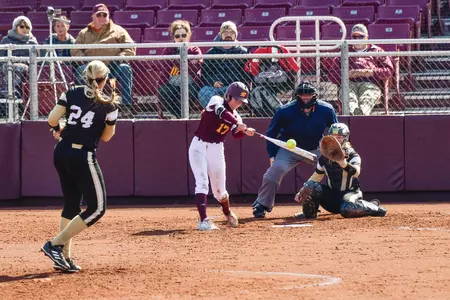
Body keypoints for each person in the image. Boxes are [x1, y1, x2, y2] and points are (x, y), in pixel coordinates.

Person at [41, 60, 119, 272]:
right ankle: (55, 244)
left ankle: (63, 257)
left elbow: (51, 119)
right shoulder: (109, 104)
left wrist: (59, 128)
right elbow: (107, 137)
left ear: (86, 76)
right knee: (98, 208)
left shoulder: (72, 91)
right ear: (104, 80)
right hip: (82, 154)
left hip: (62, 151)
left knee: (72, 204)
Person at [252, 82, 338, 218]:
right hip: (290, 148)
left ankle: (339, 200)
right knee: (275, 170)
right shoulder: (284, 110)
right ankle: (262, 204)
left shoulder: (326, 109)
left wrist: (332, 152)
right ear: (296, 96)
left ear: (315, 96)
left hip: (316, 148)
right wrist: (272, 155)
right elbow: (271, 134)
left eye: (309, 95)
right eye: (302, 95)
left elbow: (335, 131)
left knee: (334, 167)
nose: (305, 98)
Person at [189, 81, 255, 230]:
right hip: (199, 146)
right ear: (228, 96)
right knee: (202, 182)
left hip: (216, 148)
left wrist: (244, 131)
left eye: (241, 101)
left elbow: (235, 135)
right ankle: (203, 221)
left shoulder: (237, 116)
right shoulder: (216, 100)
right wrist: (238, 124)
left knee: (220, 191)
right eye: (237, 100)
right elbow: (220, 112)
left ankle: (227, 212)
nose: (238, 103)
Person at [294, 123, 387, 219]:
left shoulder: (352, 155)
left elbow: (356, 172)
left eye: (339, 137)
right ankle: (309, 214)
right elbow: (316, 176)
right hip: (332, 198)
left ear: (345, 138)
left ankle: (375, 208)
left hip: (350, 195)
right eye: (333, 137)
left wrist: (343, 163)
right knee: (309, 186)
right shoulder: (324, 158)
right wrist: (302, 191)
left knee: (347, 209)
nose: (336, 140)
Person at [71, 3, 136, 112]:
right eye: (99, 15)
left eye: (104, 15)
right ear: (93, 16)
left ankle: (126, 106)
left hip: (113, 68)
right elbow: (75, 49)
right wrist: (85, 60)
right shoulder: (84, 33)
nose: (102, 17)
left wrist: (119, 58)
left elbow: (130, 47)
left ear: (108, 16)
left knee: (125, 68)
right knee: (80, 70)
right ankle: (83, 105)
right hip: (91, 68)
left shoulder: (118, 30)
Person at [328, 24, 394, 115]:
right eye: (354, 37)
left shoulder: (377, 51)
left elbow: (388, 71)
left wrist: (370, 72)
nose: (357, 39)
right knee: (349, 96)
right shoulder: (344, 51)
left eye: (361, 36)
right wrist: (347, 74)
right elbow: (332, 74)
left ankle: (361, 113)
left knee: (367, 97)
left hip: (370, 84)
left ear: (367, 37)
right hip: (349, 83)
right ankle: (355, 113)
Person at [198, 21, 249, 108]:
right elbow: (205, 73)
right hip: (216, 88)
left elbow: (246, 75)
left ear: (235, 35)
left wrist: (235, 84)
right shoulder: (211, 52)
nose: (228, 34)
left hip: (235, 88)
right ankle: (221, 112)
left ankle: (222, 111)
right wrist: (213, 82)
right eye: (225, 32)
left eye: (231, 32)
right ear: (220, 34)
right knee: (204, 92)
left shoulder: (243, 52)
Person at [158, 20, 202, 119]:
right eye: (177, 36)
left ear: (188, 35)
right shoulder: (168, 50)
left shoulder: (194, 50)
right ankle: (181, 116)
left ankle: (183, 116)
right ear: (174, 38)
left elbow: (196, 68)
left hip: (190, 82)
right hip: (172, 82)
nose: (181, 38)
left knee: (190, 90)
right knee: (164, 91)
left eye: (183, 35)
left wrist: (176, 60)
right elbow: (165, 71)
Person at [245, 45, 300, 117]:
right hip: (270, 86)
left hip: (278, 86)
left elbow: (294, 68)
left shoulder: (281, 50)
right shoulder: (278, 50)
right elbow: (294, 69)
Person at [0, 16, 38, 99]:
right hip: (7, 66)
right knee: (9, 67)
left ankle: (11, 91)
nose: (25, 29)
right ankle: (12, 91)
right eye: (22, 26)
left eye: (27, 27)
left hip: (25, 68)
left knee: (18, 67)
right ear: (16, 27)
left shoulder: (32, 41)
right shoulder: (6, 39)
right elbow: (1, 58)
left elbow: (36, 60)